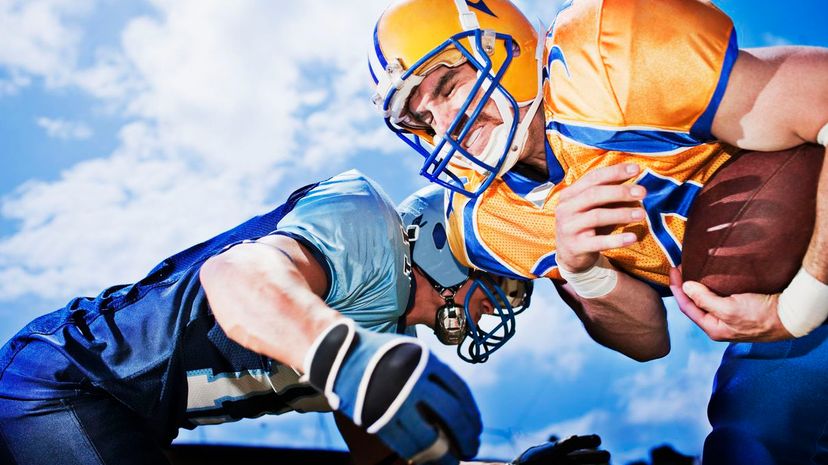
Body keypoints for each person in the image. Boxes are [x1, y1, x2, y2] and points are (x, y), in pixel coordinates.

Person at [367, 0, 828, 463]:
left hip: (809, 255)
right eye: (422, 120)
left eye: (447, 87)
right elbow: (648, 342)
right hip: (774, 313)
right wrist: (583, 270)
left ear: (502, 43)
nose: (445, 127)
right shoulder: (488, 218)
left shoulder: (601, 58)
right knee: (750, 447)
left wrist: (805, 300)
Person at [0, 170, 535, 465]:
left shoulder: (384, 337)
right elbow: (235, 275)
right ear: (445, 243)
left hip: (140, 417)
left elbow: (387, 463)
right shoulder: (368, 223)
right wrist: (345, 359)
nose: (498, 304)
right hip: (72, 380)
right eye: (501, 283)